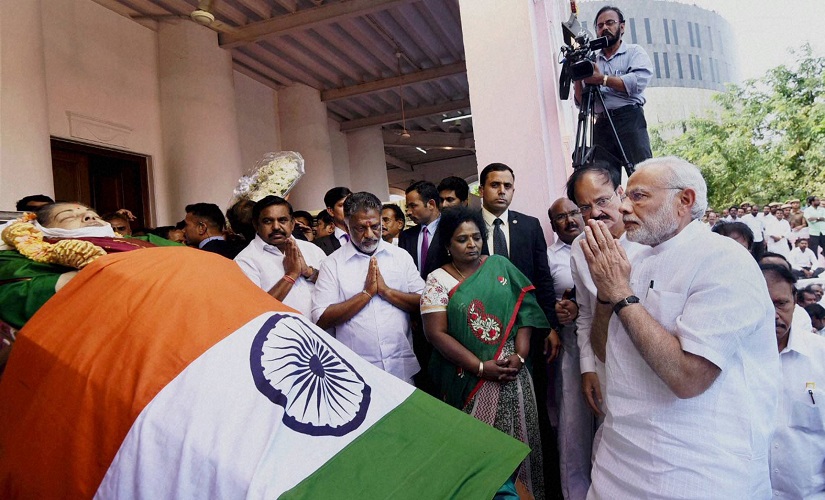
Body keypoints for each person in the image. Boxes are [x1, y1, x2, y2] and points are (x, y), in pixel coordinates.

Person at [581, 157, 780, 498]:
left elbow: (688, 378)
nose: (624, 207)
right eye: (625, 196)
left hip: (697, 467)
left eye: (639, 196)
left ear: (684, 200)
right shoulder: (634, 260)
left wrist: (621, 293)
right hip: (621, 459)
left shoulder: (723, 259)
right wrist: (605, 292)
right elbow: (603, 350)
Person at [420, 206, 549, 499]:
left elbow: (524, 310)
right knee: (480, 450)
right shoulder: (438, 281)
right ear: (447, 246)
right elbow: (435, 333)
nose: (472, 244)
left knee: (522, 444)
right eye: (462, 239)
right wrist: (480, 367)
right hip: (469, 377)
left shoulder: (500, 266)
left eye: (476, 237)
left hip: (514, 375)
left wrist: (521, 354)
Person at [478, 162, 560, 492]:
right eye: (495, 185)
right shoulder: (469, 227)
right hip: (482, 334)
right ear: (481, 189)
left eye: (507, 185)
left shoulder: (527, 226)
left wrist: (550, 326)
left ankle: (536, 484)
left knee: (534, 410)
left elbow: (542, 279)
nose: (501, 191)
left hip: (528, 333)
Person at [566, 163, 645, 458]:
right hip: (606, 362)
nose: (596, 213)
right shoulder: (579, 247)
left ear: (620, 193)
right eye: (584, 207)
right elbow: (585, 314)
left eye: (602, 201)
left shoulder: (647, 239)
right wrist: (588, 368)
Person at [311, 192, 424, 383]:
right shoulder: (332, 264)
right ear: (347, 225)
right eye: (360, 228)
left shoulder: (400, 257)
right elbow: (321, 318)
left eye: (376, 226)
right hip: (355, 372)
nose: (369, 234)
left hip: (401, 368)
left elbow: (423, 303)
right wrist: (366, 294)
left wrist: (386, 292)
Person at [761, 263, 825, 497]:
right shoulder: (733, 359)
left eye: (781, 304)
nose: (774, 314)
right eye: (765, 305)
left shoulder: (820, 356)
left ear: (795, 301)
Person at [546, 197, 593, 500]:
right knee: (574, 424)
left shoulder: (601, 243)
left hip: (608, 345)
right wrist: (558, 309)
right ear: (553, 225)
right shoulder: (550, 257)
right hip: (572, 345)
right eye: (561, 217)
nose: (570, 220)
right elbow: (543, 297)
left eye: (574, 212)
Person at [573, 5, 653, 175]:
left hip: (629, 120)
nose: (605, 28)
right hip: (601, 124)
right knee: (605, 179)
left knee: (642, 174)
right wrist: (578, 77)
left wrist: (602, 79)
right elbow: (582, 102)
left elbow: (636, 83)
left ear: (622, 27)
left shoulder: (634, 52)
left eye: (610, 23)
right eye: (600, 26)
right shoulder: (592, 59)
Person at [234, 196, 326, 317]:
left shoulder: (312, 250)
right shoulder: (245, 261)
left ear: (292, 223)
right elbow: (254, 312)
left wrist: (309, 272)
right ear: (256, 225)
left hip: (322, 333)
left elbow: (334, 287)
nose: (276, 227)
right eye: (268, 221)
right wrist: (291, 275)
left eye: (282, 220)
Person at [399, 181, 442, 279]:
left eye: (413, 206)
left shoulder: (451, 230)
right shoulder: (406, 236)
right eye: (407, 207)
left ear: (431, 204)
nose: (408, 212)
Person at [313, 187, 352, 256]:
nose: (348, 208)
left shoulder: (367, 236)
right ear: (331, 211)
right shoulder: (318, 246)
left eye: (350, 204)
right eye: (342, 205)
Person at [804, 196, 825, 261]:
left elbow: (824, 218)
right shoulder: (807, 210)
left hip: (823, 231)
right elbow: (810, 219)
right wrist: (819, 218)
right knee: (813, 250)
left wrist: (816, 218)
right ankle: (815, 265)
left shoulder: (822, 209)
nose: (819, 201)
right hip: (813, 233)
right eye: (817, 200)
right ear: (812, 202)